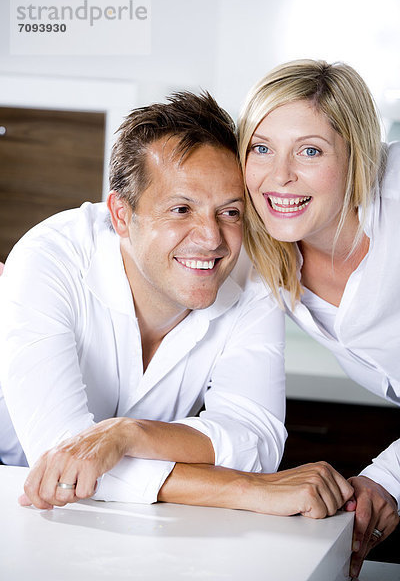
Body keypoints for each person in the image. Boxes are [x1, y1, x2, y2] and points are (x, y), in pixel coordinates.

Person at [0, 91, 353, 519]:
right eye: (181, 209)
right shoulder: (49, 258)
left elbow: (255, 438)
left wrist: (129, 435)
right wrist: (248, 490)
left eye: (230, 212)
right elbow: (63, 461)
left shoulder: (254, 274)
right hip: (18, 501)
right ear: (121, 215)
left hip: (150, 521)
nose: (212, 239)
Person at [238, 59, 400, 578]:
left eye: (309, 150)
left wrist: (389, 477)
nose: (279, 175)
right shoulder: (262, 253)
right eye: (261, 148)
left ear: (356, 155)